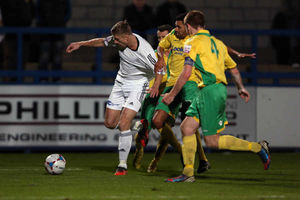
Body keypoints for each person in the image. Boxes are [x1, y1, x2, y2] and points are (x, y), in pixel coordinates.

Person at [161, 10, 270, 183]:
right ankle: (188, 173)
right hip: (213, 90)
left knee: (212, 141)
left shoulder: (191, 42)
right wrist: (241, 87)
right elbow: (233, 69)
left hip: (209, 91)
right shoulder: (218, 43)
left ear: (189, 26)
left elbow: (186, 71)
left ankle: (257, 148)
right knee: (187, 127)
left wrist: (172, 94)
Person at [66, 20, 157, 176]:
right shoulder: (119, 41)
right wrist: (80, 43)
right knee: (109, 123)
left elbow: (160, 70)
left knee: (123, 123)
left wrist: (155, 86)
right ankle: (138, 126)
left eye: (117, 39)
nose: (114, 42)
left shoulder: (146, 52)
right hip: (120, 83)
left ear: (127, 37)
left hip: (138, 85)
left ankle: (122, 165)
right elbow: (101, 41)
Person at [36, 0, 71, 82]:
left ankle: (56, 78)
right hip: (45, 31)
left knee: (57, 56)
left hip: (58, 31)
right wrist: (43, 24)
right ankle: (43, 78)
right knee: (44, 56)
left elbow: (68, 13)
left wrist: (60, 23)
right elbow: (38, 12)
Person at [0, 0, 35, 82]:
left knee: (22, 59)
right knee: (10, 60)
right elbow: (5, 13)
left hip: (24, 35)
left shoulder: (27, 1)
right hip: (10, 34)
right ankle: (9, 82)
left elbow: (31, 13)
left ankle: (19, 81)